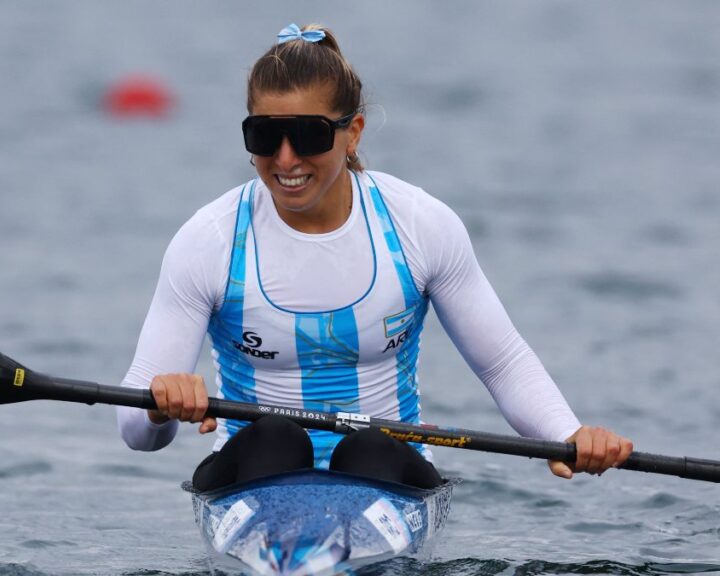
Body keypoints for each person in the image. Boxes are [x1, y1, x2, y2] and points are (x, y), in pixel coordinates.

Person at [115, 23, 633, 491]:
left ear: (353, 132)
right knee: (275, 437)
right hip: (252, 470)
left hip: (386, 468)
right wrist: (161, 405)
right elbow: (137, 436)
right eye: (266, 135)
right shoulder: (208, 240)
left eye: (310, 135)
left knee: (369, 447)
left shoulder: (418, 225)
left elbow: (502, 365)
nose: (287, 158)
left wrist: (567, 434)